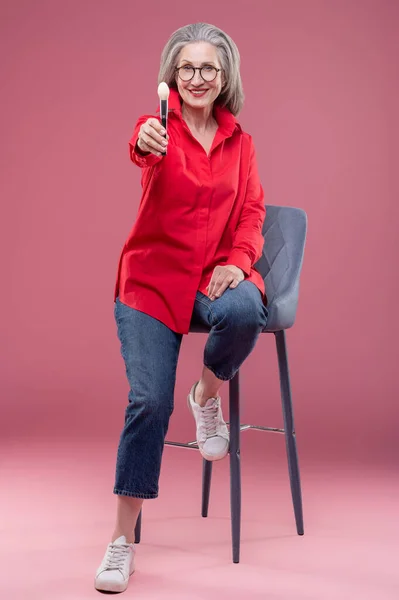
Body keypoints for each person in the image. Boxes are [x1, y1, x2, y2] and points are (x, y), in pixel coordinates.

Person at [94, 22, 269, 594]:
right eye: (186, 68)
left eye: (208, 69)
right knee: (148, 401)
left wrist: (238, 262)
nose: (197, 78)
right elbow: (142, 149)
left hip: (209, 277)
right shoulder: (158, 130)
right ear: (171, 77)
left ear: (225, 78)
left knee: (247, 308)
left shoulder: (240, 144)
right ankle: (121, 543)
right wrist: (144, 139)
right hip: (149, 281)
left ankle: (207, 395)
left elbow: (250, 215)